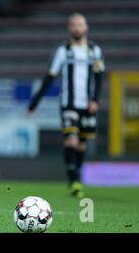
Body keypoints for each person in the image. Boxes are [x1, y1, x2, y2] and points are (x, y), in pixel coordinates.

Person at [27, 13, 105, 198]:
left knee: (81, 145)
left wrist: (96, 100)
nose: (77, 27)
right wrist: (34, 103)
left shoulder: (95, 51)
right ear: (69, 28)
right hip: (68, 104)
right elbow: (50, 77)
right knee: (71, 139)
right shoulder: (63, 51)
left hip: (87, 105)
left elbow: (100, 76)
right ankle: (74, 181)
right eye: (74, 24)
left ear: (86, 27)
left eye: (80, 24)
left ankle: (76, 176)